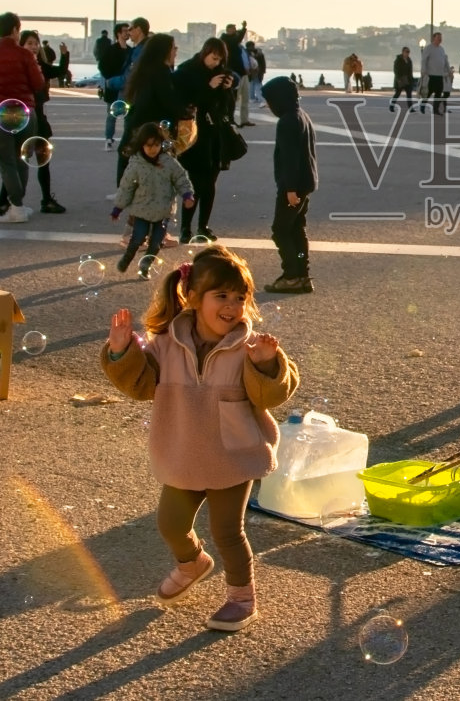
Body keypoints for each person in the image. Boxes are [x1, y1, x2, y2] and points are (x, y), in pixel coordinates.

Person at [99, 244, 299, 631]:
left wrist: (267, 365)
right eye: (221, 296)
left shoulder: (251, 347)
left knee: (227, 531)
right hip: (184, 453)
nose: (233, 305)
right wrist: (122, 351)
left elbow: (272, 394)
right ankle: (193, 562)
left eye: (240, 297)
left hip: (232, 456)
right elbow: (140, 385)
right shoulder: (164, 343)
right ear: (191, 297)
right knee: (170, 524)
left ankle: (242, 598)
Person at [0, 12, 46, 224]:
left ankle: (17, 207)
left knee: (6, 161)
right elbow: (38, 84)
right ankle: (18, 205)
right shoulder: (25, 55)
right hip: (25, 110)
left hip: (0, 111)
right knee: (22, 158)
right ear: (15, 30)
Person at [112, 122, 195, 276]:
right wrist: (118, 208)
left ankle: (145, 266)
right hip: (142, 210)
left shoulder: (168, 162)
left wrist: (187, 194)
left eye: (156, 145)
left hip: (163, 211)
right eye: (148, 145)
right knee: (137, 238)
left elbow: (181, 179)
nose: (152, 149)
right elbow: (126, 187)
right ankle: (127, 258)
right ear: (141, 145)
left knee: (156, 243)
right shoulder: (136, 164)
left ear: (161, 144)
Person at [175, 37, 235, 241]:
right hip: (194, 135)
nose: (216, 63)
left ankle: (203, 226)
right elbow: (186, 102)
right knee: (194, 183)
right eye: (213, 58)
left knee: (210, 183)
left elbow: (227, 108)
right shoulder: (187, 71)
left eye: (219, 60)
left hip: (215, 134)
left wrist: (227, 90)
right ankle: (185, 228)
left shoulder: (221, 73)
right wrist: (208, 87)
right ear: (205, 52)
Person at [262, 76, 317, 293]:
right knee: (296, 229)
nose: (268, 105)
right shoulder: (301, 115)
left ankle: (292, 275)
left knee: (281, 230)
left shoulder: (287, 121)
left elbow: (290, 158)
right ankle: (303, 273)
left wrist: (290, 189)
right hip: (305, 183)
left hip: (293, 186)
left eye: (269, 100)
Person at [119, 34, 185, 188]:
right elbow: (169, 102)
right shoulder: (160, 72)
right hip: (153, 133)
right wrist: (184, 110)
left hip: (140, 129)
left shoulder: (145, 71)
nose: (176, 51)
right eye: (173, 48)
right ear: (165, 51)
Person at [18, 30, 67, 214]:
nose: (34, 46)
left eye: (35, 43)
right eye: (29, 43)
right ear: (21, 45)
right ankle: (4, 200)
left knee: (43, 160)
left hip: (40, 117)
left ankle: (46, 199)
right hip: (24, 117)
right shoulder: (20, 66)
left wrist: (65, 56)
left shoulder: (41, 66)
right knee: (18, 161)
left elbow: (59, 71)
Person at [98, 23, 131, 150]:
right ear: (118, 33)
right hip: (113, 87)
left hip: (127, 88)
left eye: (128, 31)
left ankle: (127, 141)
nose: (127, 33)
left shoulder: (130, 51)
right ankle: (108, 139)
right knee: (112, 115)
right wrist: (110, 78)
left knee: (128, 116)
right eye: (124, 31)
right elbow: (102, 66)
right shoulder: (111, 50)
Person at [420, 32, 451, 115]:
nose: (440, 39)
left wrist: (449, 71)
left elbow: (445, 61)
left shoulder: (441, 49)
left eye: (441, 38)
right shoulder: (428, 48)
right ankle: (422, 106)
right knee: (428, 93)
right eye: (438, 38)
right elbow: (424, 60)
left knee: (438, 93)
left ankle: (435, 110)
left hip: (439, 75)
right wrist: (423, 70)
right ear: (434, 38)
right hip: (431, 75)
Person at [391, 47, 416, 112]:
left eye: (408, 52)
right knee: (397, 93)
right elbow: (395, 70)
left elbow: (410, 71)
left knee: (409, 94)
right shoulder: (398, 60)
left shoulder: (409, 60)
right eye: (406, 51)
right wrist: (398, 78)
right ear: (403, 52)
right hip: (400, 79)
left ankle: (411, 108)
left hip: (408, 79)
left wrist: (411, 79)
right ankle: (391, 106)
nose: (407, 53)